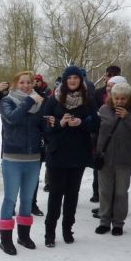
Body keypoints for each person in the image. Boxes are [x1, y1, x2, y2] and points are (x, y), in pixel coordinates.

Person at [42, 65, 99, 247]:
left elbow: (96, 124)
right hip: (57, 155)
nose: (73, 81)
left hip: (78, 155)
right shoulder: (54, 100)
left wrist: (81, 123)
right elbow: (44, 126)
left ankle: (68, 229)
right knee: (55, 195)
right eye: (69, 78)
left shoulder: (88, 100)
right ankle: (49, 233)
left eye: (76, 78)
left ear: (80, 80)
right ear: (64, 81)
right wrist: (61, 123)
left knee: (72, 195)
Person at [0, 72, 46, 255]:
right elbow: (12, 119)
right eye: (22, 82)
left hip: (33, 158)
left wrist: (49, 123)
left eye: (29, 82)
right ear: (16, 84)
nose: (26, 85)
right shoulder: (7, 101)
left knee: (27, 199)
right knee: (10, 199)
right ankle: (5, 240)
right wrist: (29, 102)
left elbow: (39, 127)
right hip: (12, 158)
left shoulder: (38, 103)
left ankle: (23, 236)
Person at [94, 82, 131, 237]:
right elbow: (95, 131)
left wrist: (128, 117)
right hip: (105, 158)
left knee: (121, 192)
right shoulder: (103, 110)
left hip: (125, 158)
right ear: (112, 97)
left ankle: (118, 223)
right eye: (117, 98)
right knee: (105, 191)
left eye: (123, 98)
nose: (120, 102)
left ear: (129, 98)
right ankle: (104, 221)